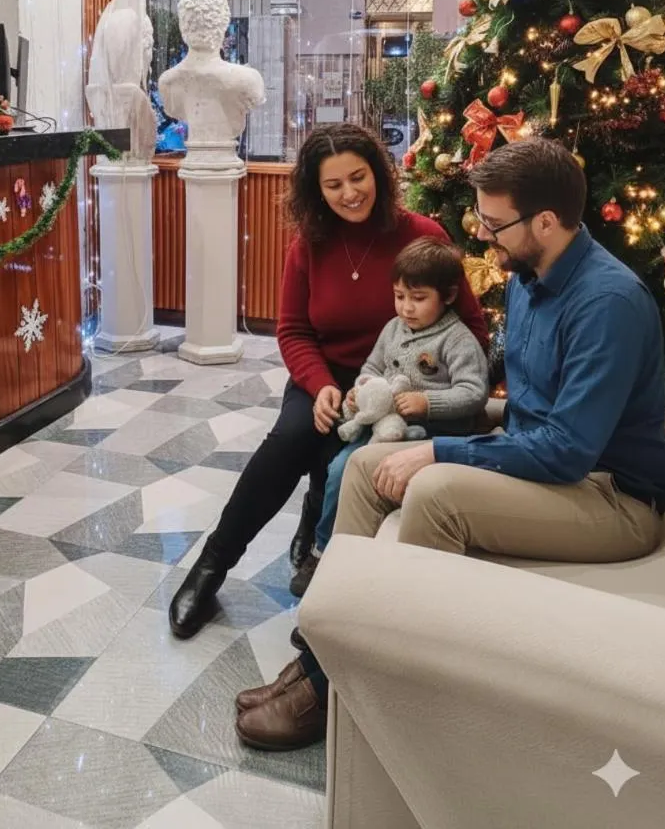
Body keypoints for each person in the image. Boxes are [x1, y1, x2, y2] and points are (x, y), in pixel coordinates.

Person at [234, 138, 665, 752]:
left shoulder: (608, 304)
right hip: (555, 466)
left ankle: (355, 691)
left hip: (612, 498)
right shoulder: (529, 278)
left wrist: (440, 451)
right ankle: (323, 662)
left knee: (434, 491)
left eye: (495, 224)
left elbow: (567, 451)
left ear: (544, 222)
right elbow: (524, 412)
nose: (484, 236)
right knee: (362, 465)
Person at [168, 123, 488, 640]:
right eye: (333, 184)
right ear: (316, 190)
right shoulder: (308, 245)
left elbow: (469, 327)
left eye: (358, 177)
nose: (349, 193)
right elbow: (293, 329)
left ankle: (321, 556)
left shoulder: (424, 236)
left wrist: (423, 388)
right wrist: (319, 385)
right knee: (291, 440)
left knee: (345, 458)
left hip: (403, 383)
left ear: (379, 175)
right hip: (328, 376)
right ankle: (211, 567)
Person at [289, 236, 489, 597]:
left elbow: (474, 393)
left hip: (429, 436)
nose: (406, 308)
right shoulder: (393, 329)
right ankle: (322, 550)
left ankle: (361, 561)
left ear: (446, 296)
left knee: (359, 472)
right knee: (340, 468)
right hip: (383, 427)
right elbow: (372, 365)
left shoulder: (457, 340)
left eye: (418, 298)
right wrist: (362, 386)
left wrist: (428, 403)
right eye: (399, 296)